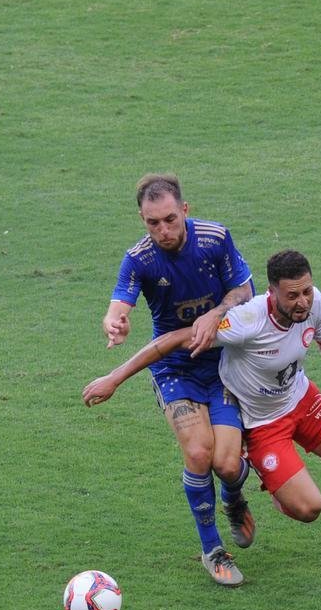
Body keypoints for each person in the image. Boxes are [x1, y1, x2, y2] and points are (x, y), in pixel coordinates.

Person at [84, 249, 321, 563]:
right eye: (292, 295)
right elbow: (172, 340)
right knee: (309, 509)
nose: (302, 302)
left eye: (306, 291)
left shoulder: (315, 303)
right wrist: (115, 377)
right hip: (262, 425)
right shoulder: (247, 321)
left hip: (303, 400)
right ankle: (271, 482)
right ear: (271, 292)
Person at [99, 173, 255, 586]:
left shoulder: (214, 239)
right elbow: (120, 303)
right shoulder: (139, 259)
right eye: (153, 223)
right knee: (200, 453)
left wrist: (215, 312)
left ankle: (235, 496)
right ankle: (212, 549)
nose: (163, 231)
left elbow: (245, 291)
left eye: (170, 219)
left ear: (184, 210)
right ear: (142, 219)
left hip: (223, 364)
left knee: (227, 465)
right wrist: (116, 321)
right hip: (174, 368)